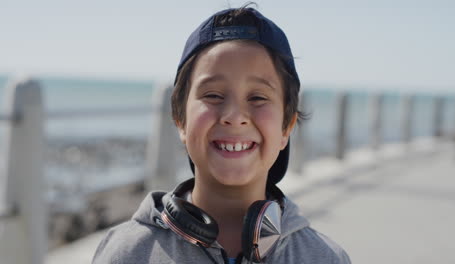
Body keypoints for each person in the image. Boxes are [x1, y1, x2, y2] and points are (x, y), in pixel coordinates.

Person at [93, 5, 351, 264]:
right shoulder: (128, 252)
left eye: (258, 97)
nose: (234, 115)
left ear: (287, 127)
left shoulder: (323, 257)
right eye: (213, 95)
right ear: (180, 120)